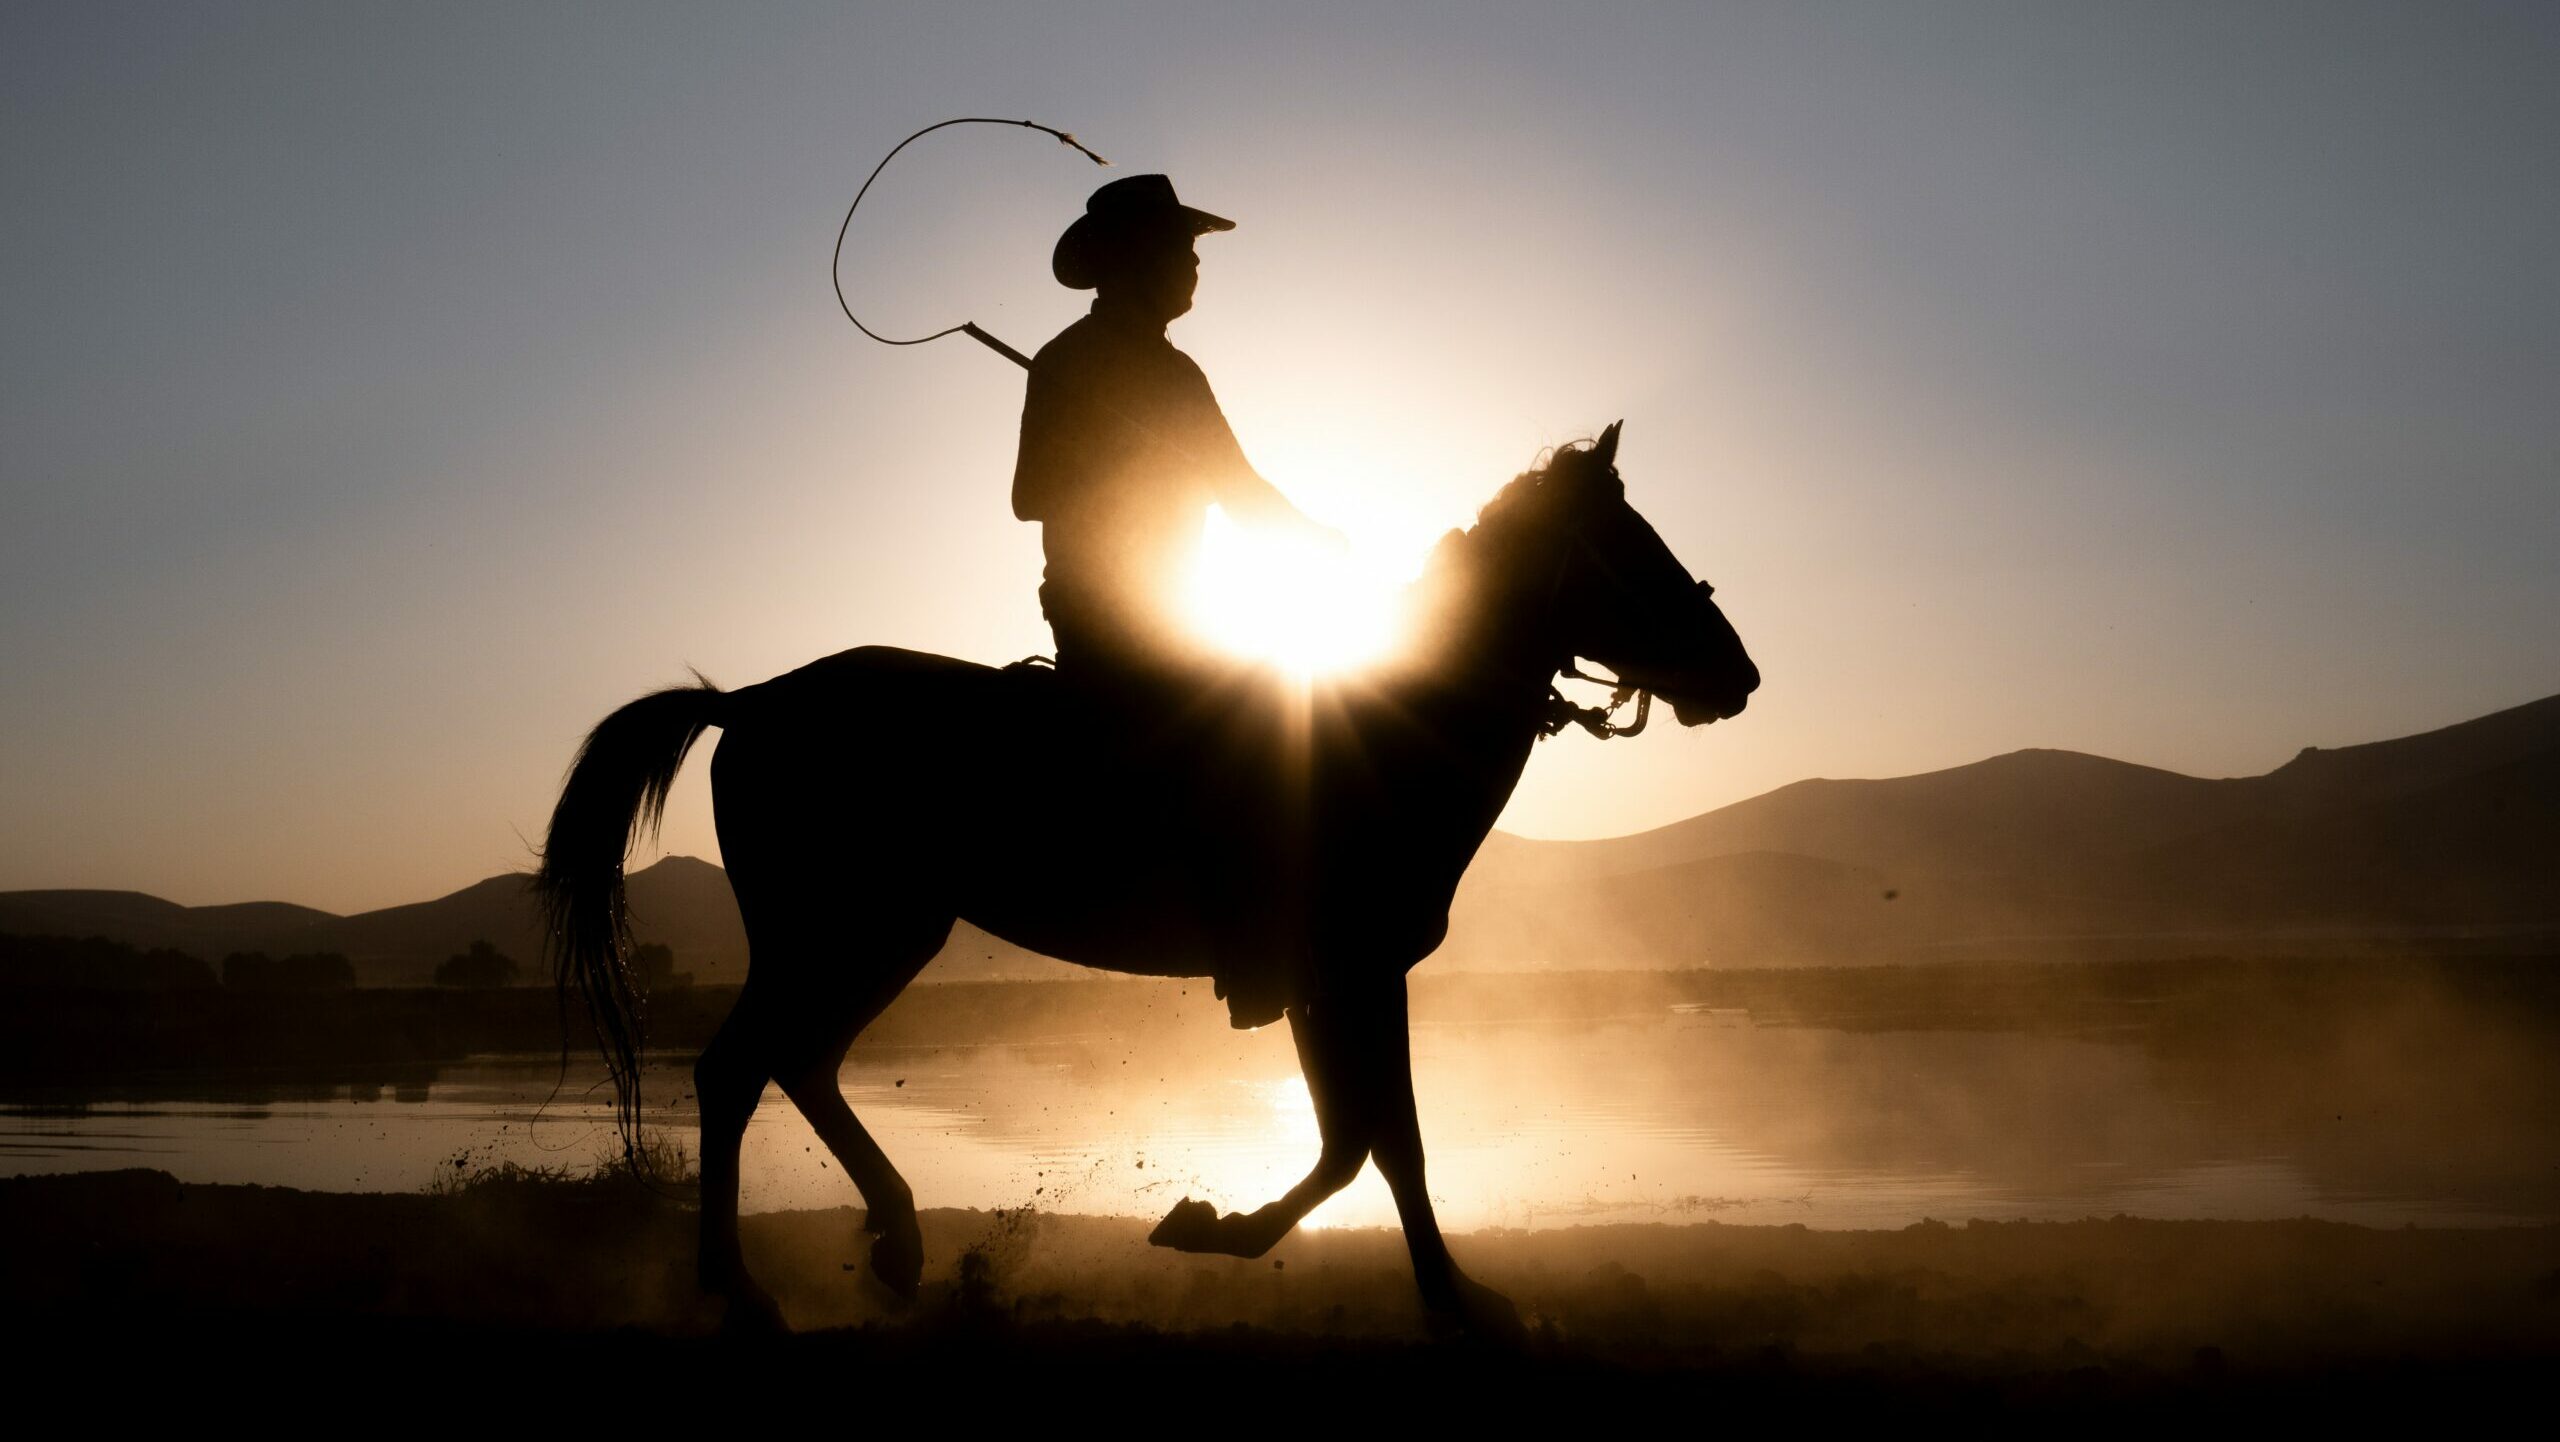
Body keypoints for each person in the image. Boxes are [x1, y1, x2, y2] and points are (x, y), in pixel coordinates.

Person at [1012, 173, 1338, 689]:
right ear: (1137, 256)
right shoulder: (1065, 359)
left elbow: (1239, 488)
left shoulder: (1181, 375)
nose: (1195, 262)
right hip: (1096, 617)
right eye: (1180, 247)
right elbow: (1028, 497)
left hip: (1176, 613)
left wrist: (1321, 544)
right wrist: (1133, 465)